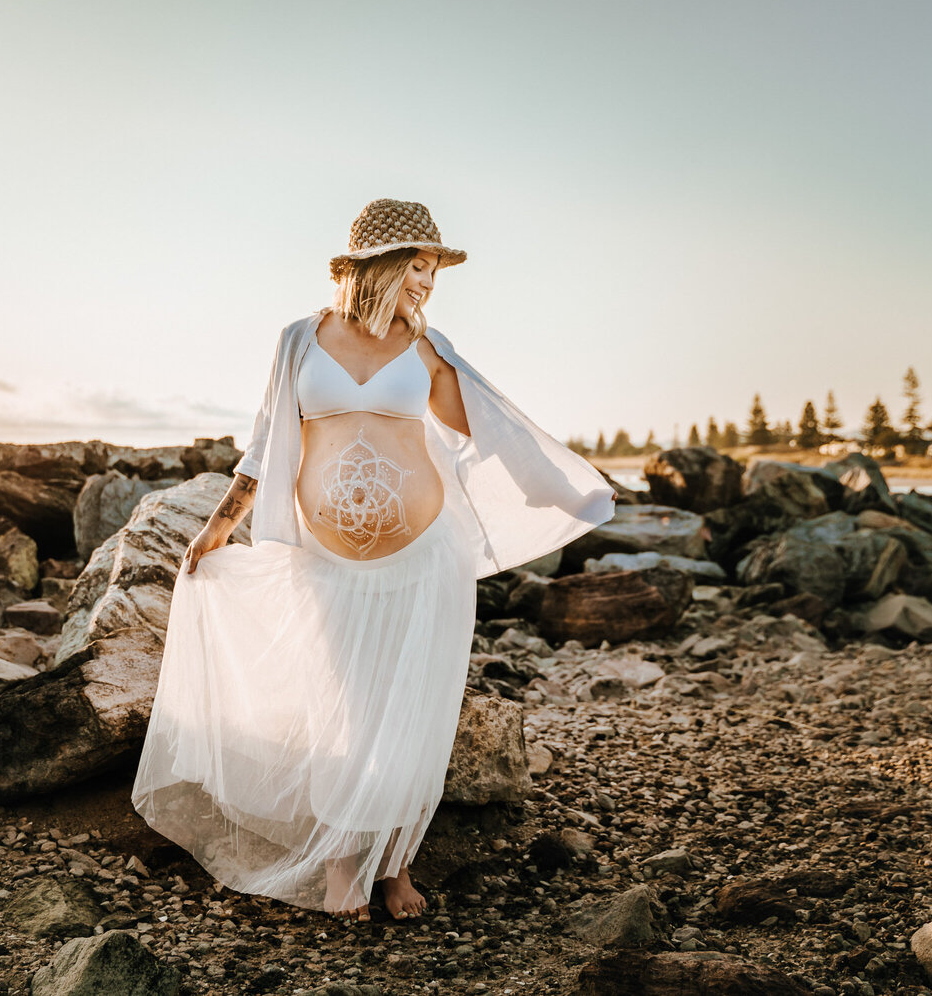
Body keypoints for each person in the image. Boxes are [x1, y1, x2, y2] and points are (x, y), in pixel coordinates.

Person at [131, 198, 615, 923]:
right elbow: (265, 443)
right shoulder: (299, 339)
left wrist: (553, 481)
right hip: (326, 562)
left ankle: (396, 863)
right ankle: (342, 861)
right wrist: (220, 524)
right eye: (419, 266)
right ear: (379, 265)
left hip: (421, 561)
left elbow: (476, 425)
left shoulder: (426, 347)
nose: (427, 282)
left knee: (404, 712)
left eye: (434, 270)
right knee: (340, 707)